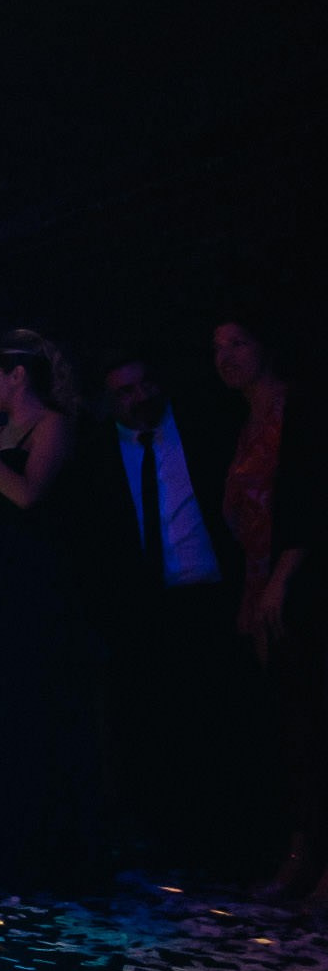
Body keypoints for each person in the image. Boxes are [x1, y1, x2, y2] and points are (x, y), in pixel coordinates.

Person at [0, 330, 104, 891]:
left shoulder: (53, 423)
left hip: (40, 584)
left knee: (32, 707)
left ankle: (40, 850)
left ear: (17, 376)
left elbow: (29, 494)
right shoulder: (0, 430)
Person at [85, 350, 251, 869]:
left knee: (221, 719)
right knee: (156, 726)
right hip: (143, 605)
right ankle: (172, 839)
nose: (138, 399)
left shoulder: (203, 429)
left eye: (143, 386)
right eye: (125, 393)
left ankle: (232, 839)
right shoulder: (101, 452)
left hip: (210, 591)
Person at [215, 311, 325, 901]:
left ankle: (314, 855)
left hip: (299, 579)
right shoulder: (242, 421)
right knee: (291, 723)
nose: (227, 356)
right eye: (218, 348)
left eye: (238, 343)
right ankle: (299, 849)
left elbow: (309, 494)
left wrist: (282, 575)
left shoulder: (295, 409)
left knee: (312, 715)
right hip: (258, 579)